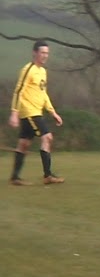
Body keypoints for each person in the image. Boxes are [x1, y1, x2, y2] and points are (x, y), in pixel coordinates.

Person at [7, 40, 65, 186]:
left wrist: (53, 113)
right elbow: (18, 91)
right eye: (42, 52)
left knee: (24, 144)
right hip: (30, 112)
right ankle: (48, 175)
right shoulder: (29, 69)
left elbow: (43, 94)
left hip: (36, 111)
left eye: (47, 53)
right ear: (35, 53)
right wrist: (14, 113)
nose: (45, 56)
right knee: (47, 138)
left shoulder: (43, 72)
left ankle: (15, 177)